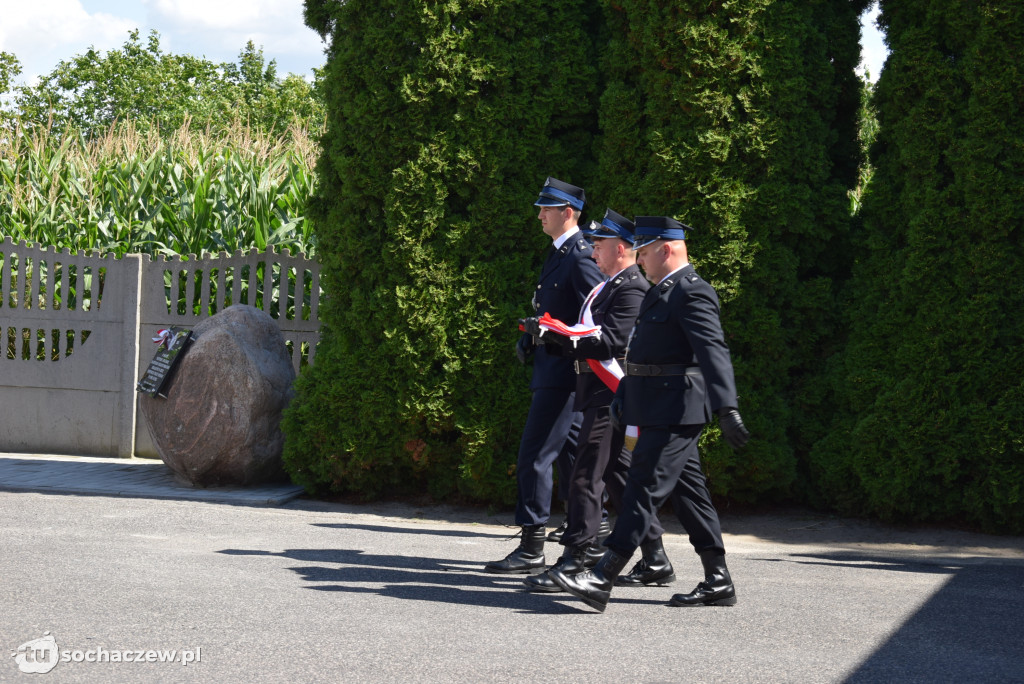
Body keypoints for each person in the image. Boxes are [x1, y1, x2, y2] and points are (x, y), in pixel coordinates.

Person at [550, 215, 751, 611]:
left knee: (642, 487)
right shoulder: (661, 290)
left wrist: (727, 407)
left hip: (677, 408)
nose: (639, 259)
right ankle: (717, 578)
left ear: (666, 249)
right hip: (656, 404)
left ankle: (602, 574)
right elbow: (642, 353)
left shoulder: (692, 292)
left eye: (644, 251)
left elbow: (713, 352)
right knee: (691, 494)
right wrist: (625, 391)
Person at [518, 209, 651, 592]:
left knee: (586, 475)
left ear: (621, 249)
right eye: (592, 245)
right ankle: (655, 556)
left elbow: (609, 341)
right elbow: (588, 327)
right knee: (615, 476)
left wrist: (561, 338)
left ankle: (577, 556)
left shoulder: (631, 286)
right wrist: (546, 333)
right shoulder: (609, 284)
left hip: (608, 389)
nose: (593, 253)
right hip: (596, 390)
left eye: (600, 246)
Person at [484, 177, 603, 574]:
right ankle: (593, 534)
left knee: (535, 456)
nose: (540, 215)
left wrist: (557, 338)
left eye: (546, 209)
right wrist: (535, 334)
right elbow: (562, 310)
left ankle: (533, 545)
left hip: (565, 373)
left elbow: (596, 316)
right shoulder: (560, 252)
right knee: (572, 457)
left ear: (567, 212)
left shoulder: (580, 256)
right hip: (554, 367)